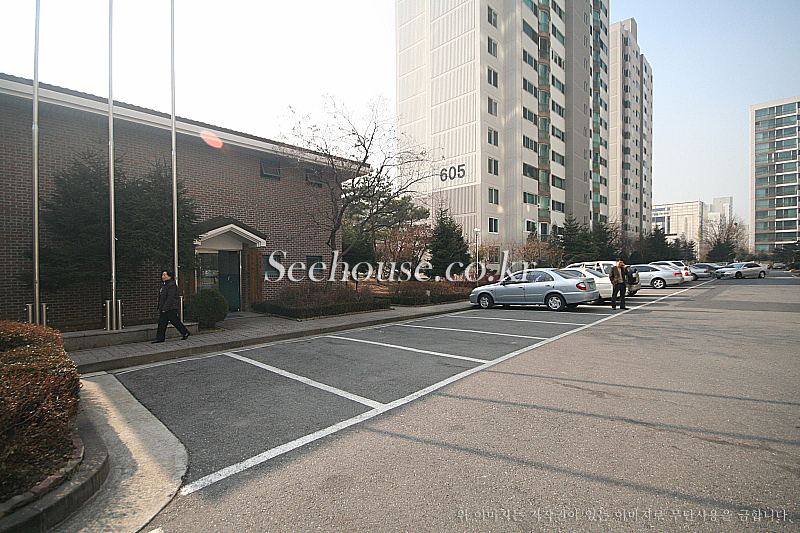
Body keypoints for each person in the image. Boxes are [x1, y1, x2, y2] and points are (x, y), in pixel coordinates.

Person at [153, 269, 191, 343]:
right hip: (166, 307)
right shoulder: (165, 285)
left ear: (169, 276)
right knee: (165, 322)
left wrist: (165, 308)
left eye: (164, 275)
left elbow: (170, 297)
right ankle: (160, 338)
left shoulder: (171, 285)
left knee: (172, 321)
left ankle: (184, 332)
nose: (163, 276)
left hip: (170, 307)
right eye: (162, 275)